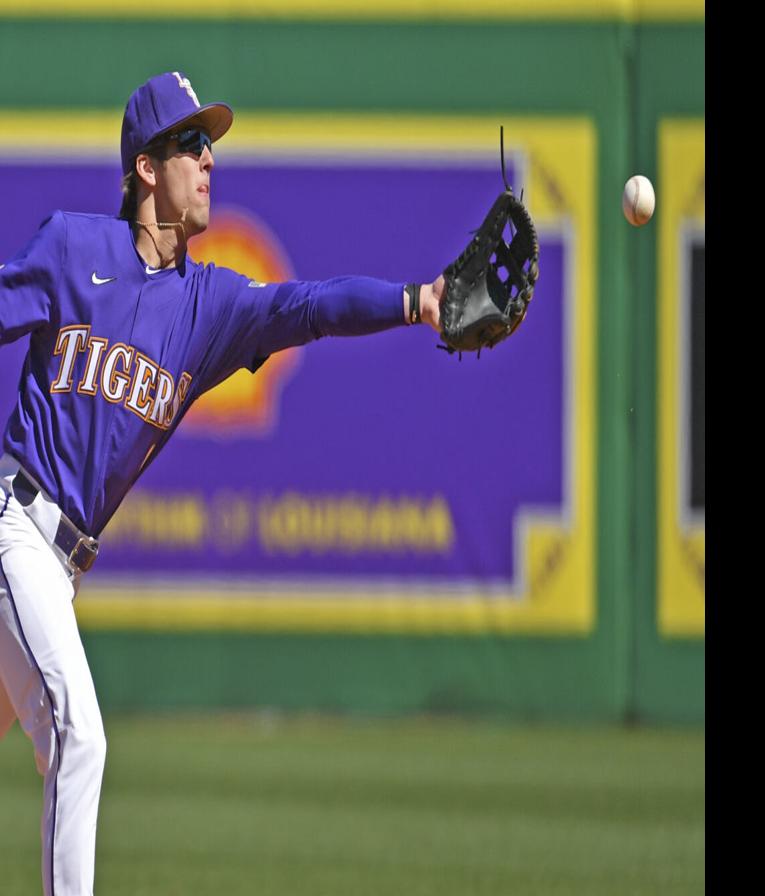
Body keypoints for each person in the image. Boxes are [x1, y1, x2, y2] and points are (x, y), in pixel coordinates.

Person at [0, 71, 444, 896]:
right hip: (12, 525)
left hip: (57, 569)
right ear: (145, 167)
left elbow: (311, 305)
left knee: (59, 738)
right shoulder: (71, 248)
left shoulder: (210, 306)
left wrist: (419, 300)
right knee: (81, 740)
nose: (210, 161)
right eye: (192, 145)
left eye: (212, 146)